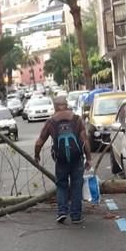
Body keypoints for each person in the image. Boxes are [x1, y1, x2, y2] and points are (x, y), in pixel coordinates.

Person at [34, 96, 92, 224]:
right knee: (77, 185)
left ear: (55, 107)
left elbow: (39, 142)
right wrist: (88, 158)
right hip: (77, 158)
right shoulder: (77, 119)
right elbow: (84, 140)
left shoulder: (51, 122)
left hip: (60, 160)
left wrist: (36, 155)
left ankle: (62, 212)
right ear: (66, 105)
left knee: (61, 185)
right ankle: (76, 216)